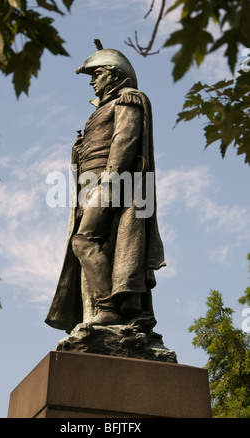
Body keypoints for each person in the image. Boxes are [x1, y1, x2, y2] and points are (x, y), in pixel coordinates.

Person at [45, 41, 166, 334]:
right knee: (102, 248)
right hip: (91, 184)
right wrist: (78, 154)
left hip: (114, 182)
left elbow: (124, 141)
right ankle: (104, 313)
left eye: (96, 74)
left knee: (83, 241)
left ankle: (108, 308)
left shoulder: (128, 99)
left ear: (113, 74)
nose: (92, 81)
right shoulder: (101, 110)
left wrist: (110, 181)